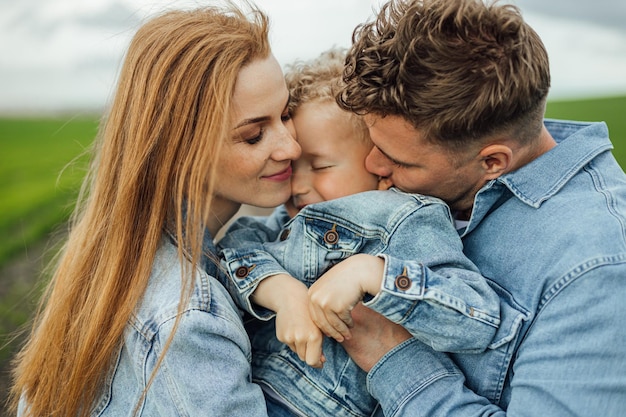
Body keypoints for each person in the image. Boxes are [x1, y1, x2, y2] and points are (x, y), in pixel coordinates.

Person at [325, 0, 626, 415]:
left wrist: (388, 354)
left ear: (493, 162)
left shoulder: (597, 265)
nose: (373, 165)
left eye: (400, 160)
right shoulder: (443, 179)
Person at [9, 5, 303, 417]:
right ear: (179, 149)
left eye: (286, 114)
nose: (291, 146)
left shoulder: (112, 257)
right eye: (253, 136)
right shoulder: (188, 320)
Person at [217, 48, 501, 417]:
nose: (297, 185)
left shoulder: (406, 217)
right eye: (293, 166)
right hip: (251, 392)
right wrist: (281, 291)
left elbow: (476, 318)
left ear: (378, 165)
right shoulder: (291, 216)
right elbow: (233, 246)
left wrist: (374, 273)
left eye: (319, 166)